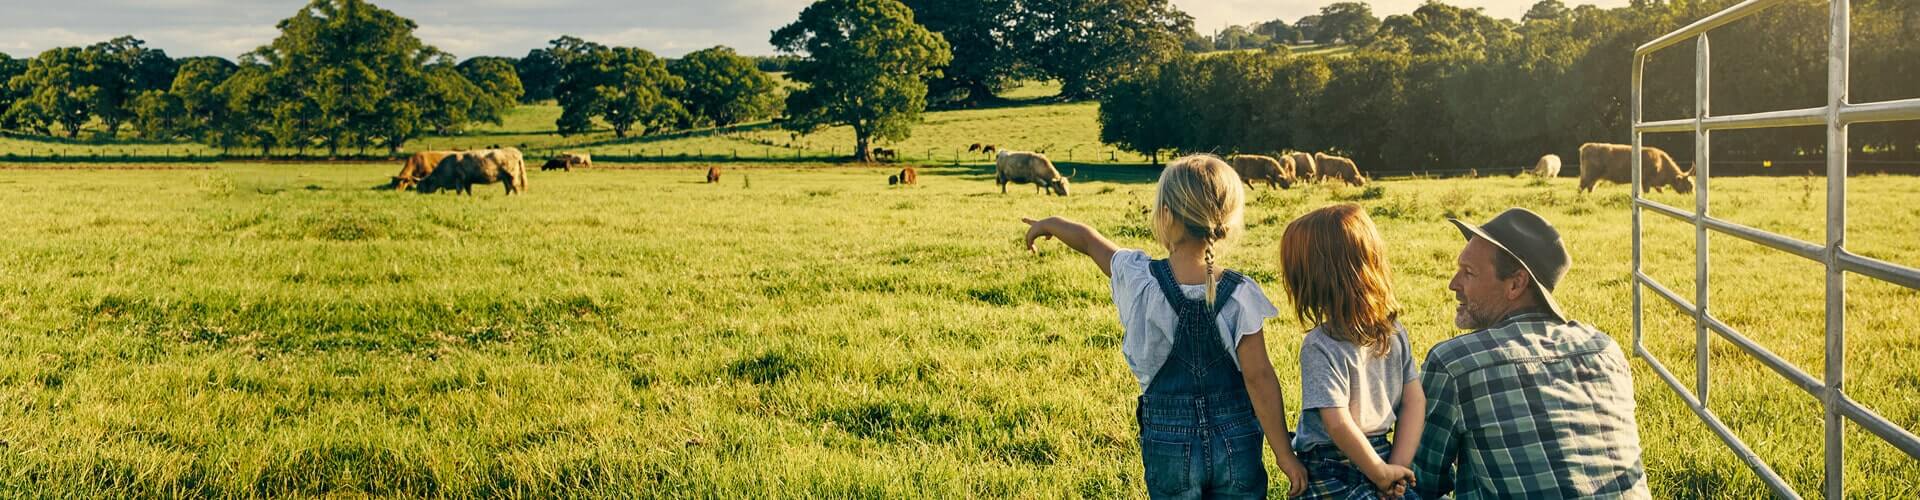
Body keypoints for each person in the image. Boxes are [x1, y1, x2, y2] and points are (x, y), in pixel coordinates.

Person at [1022, 154, 1308, 498]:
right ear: (1226, 222)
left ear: (1166, 216)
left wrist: (1049, 222)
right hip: (1237, 441)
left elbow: (1088, 241)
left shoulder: (1140, 279)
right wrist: (1284, 455)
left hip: (1168, 440)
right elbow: (1259, 378)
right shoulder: (1241, 293)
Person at [1413, 208, 1648, 499]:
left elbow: (1418, 480)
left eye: (1469, 273)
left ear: (1516, 284)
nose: (1453, 284)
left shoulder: (1455, 364)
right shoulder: (1604, 350)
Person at [1278, 204, 1424, 499]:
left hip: (1330, 467)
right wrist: (1395, 467)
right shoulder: (1394, 332)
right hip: (1383, 454)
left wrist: (1384, 473)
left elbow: (1337, 423)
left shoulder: (1320, 344)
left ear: (1314, 280)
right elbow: (1414, 402)